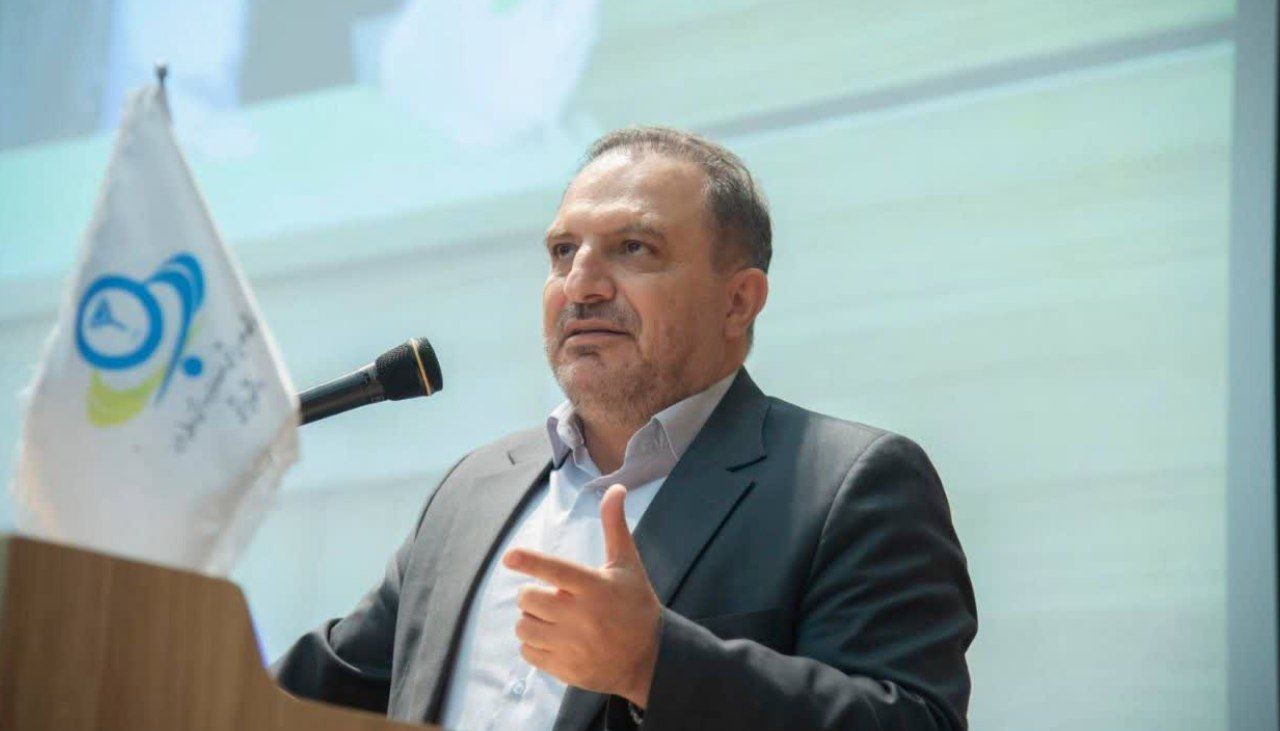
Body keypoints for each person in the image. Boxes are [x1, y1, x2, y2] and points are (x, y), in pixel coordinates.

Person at [271, 127, 978, 730]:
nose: (581, 285)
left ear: (739, 300)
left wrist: (654, 664)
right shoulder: (475, 490)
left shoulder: (847, 483)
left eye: (633, 247)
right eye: (562, 252)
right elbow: (308, 697)